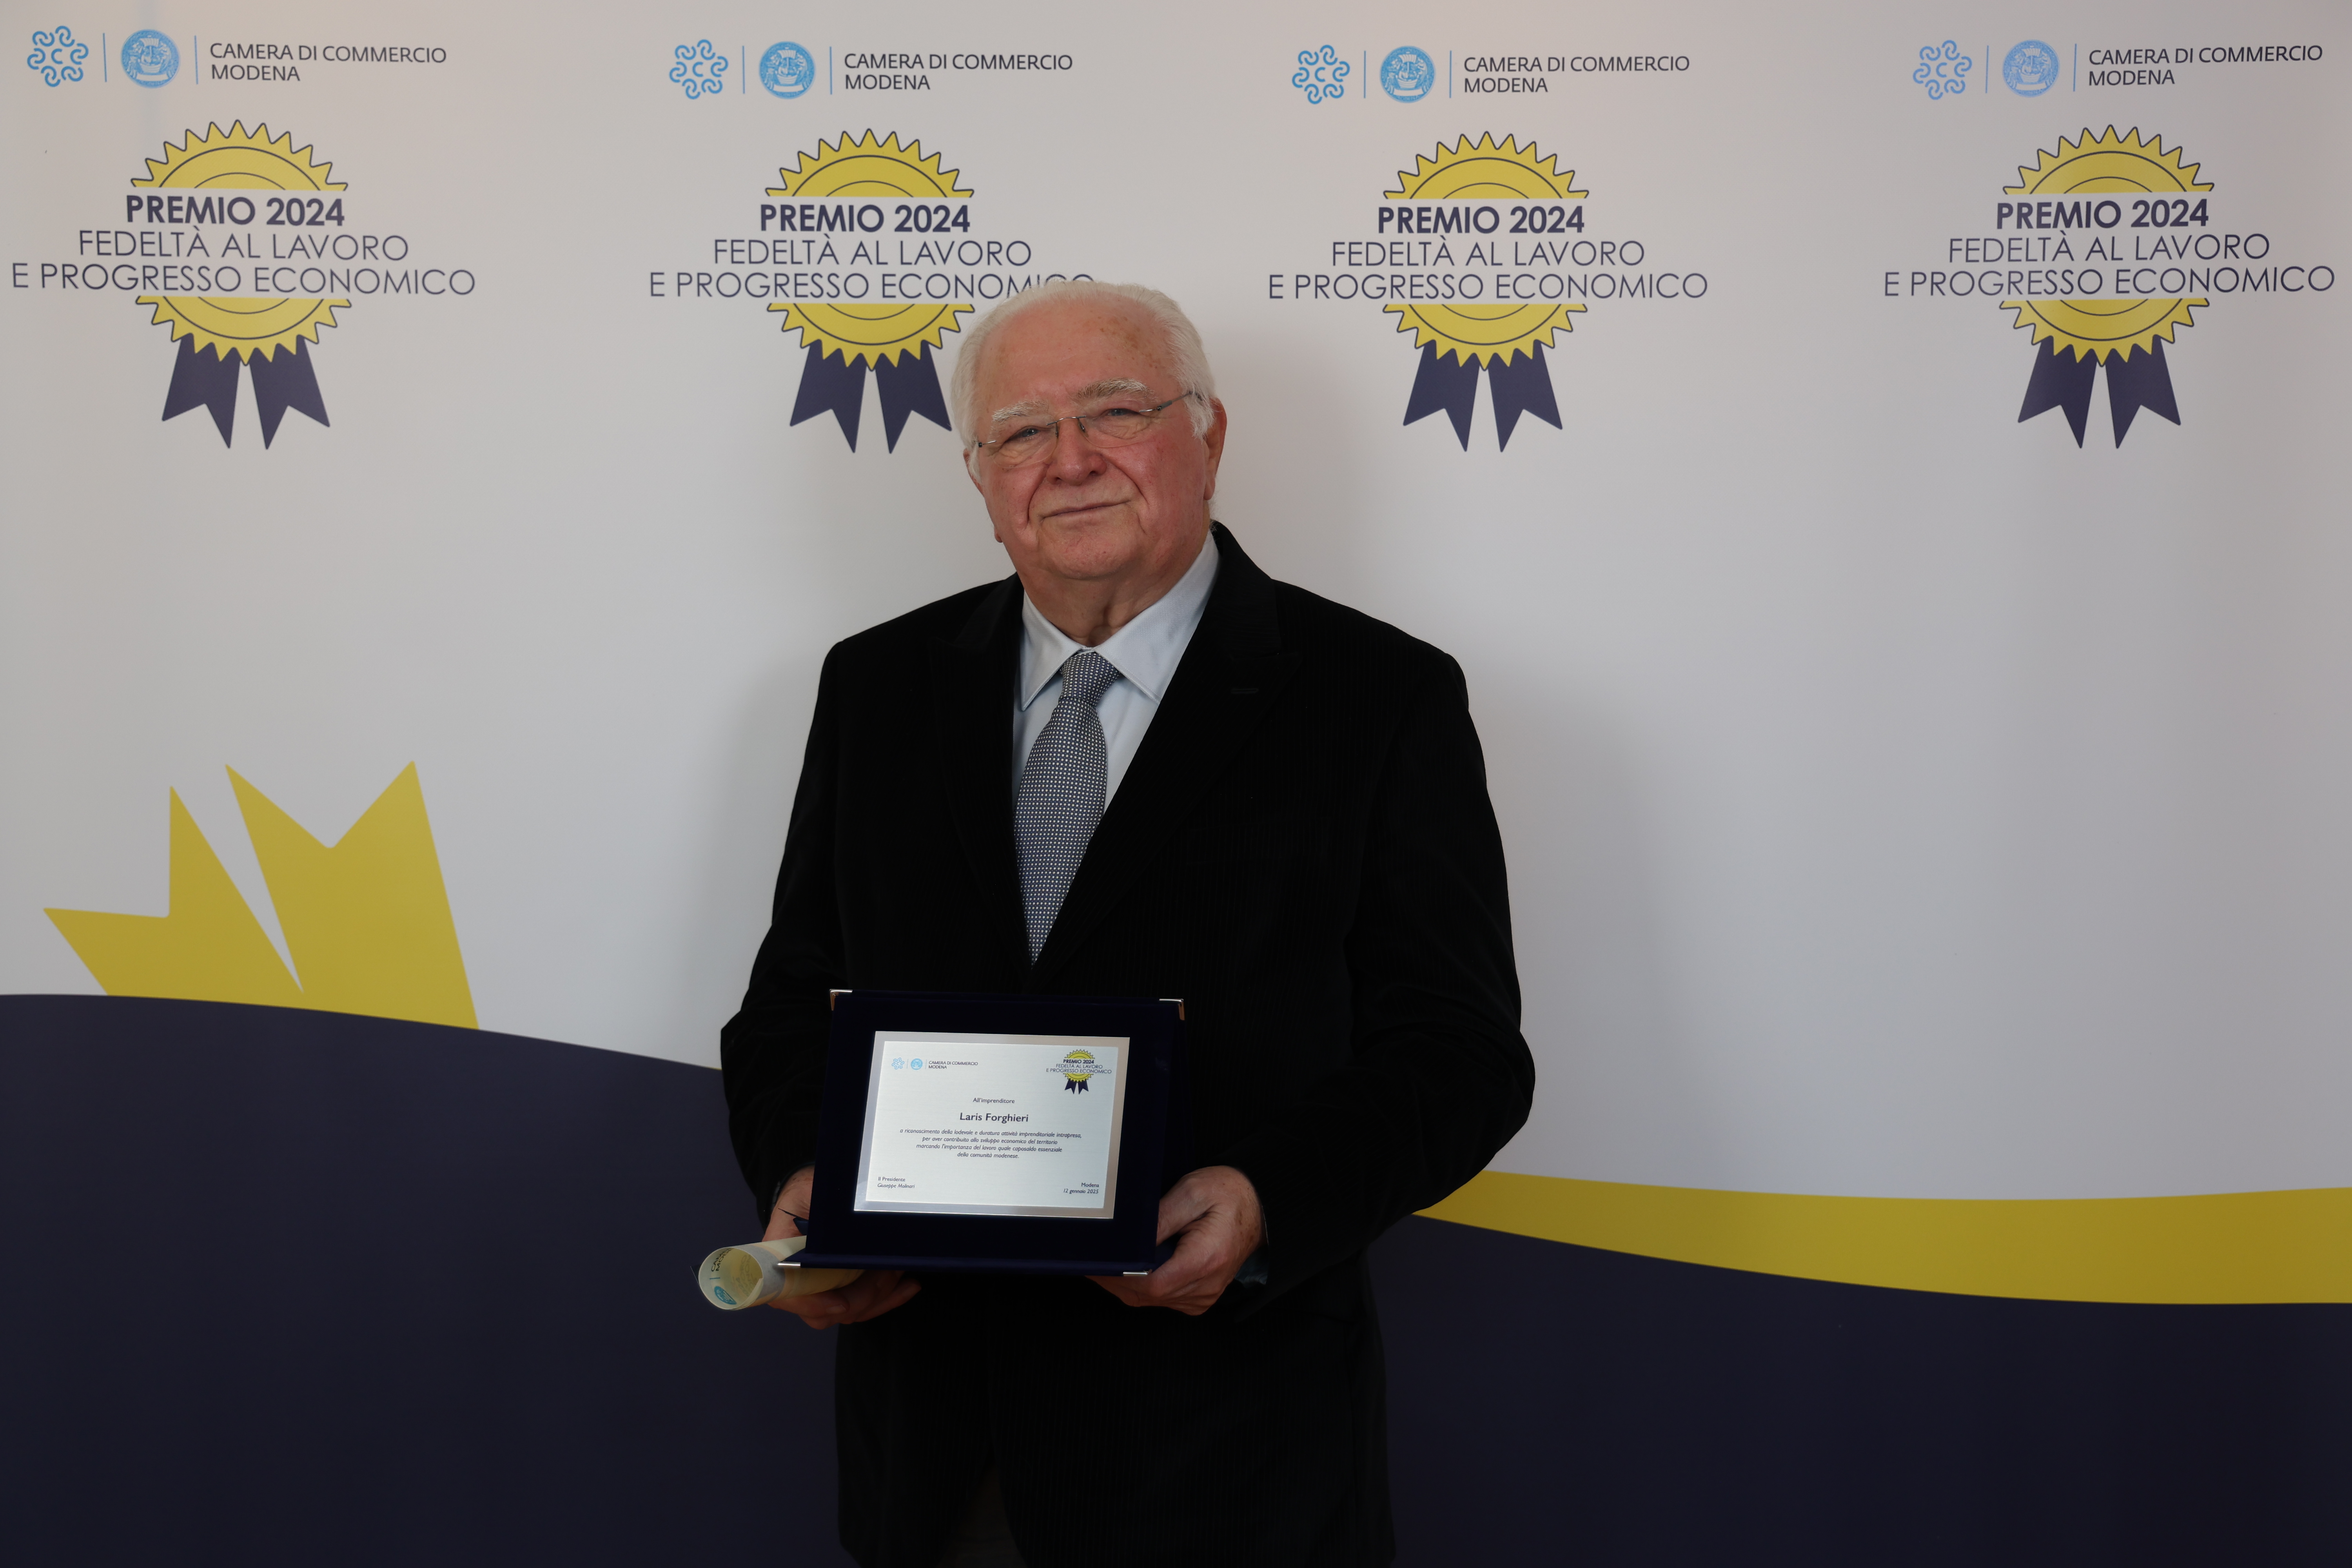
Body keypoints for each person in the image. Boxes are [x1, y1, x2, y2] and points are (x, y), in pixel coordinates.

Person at [721, 280, 1532, 1568]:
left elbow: (1460, 1052)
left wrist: (1266, 1202)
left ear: (1209, 435)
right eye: (1022, 431)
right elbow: (790, 1001)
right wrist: (804, 1174)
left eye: (1115, 411)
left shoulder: (1379, 697)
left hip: (1230, 1456)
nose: (1071, 460)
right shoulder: (877, 686)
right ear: (980, 476)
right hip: (937, 1446)